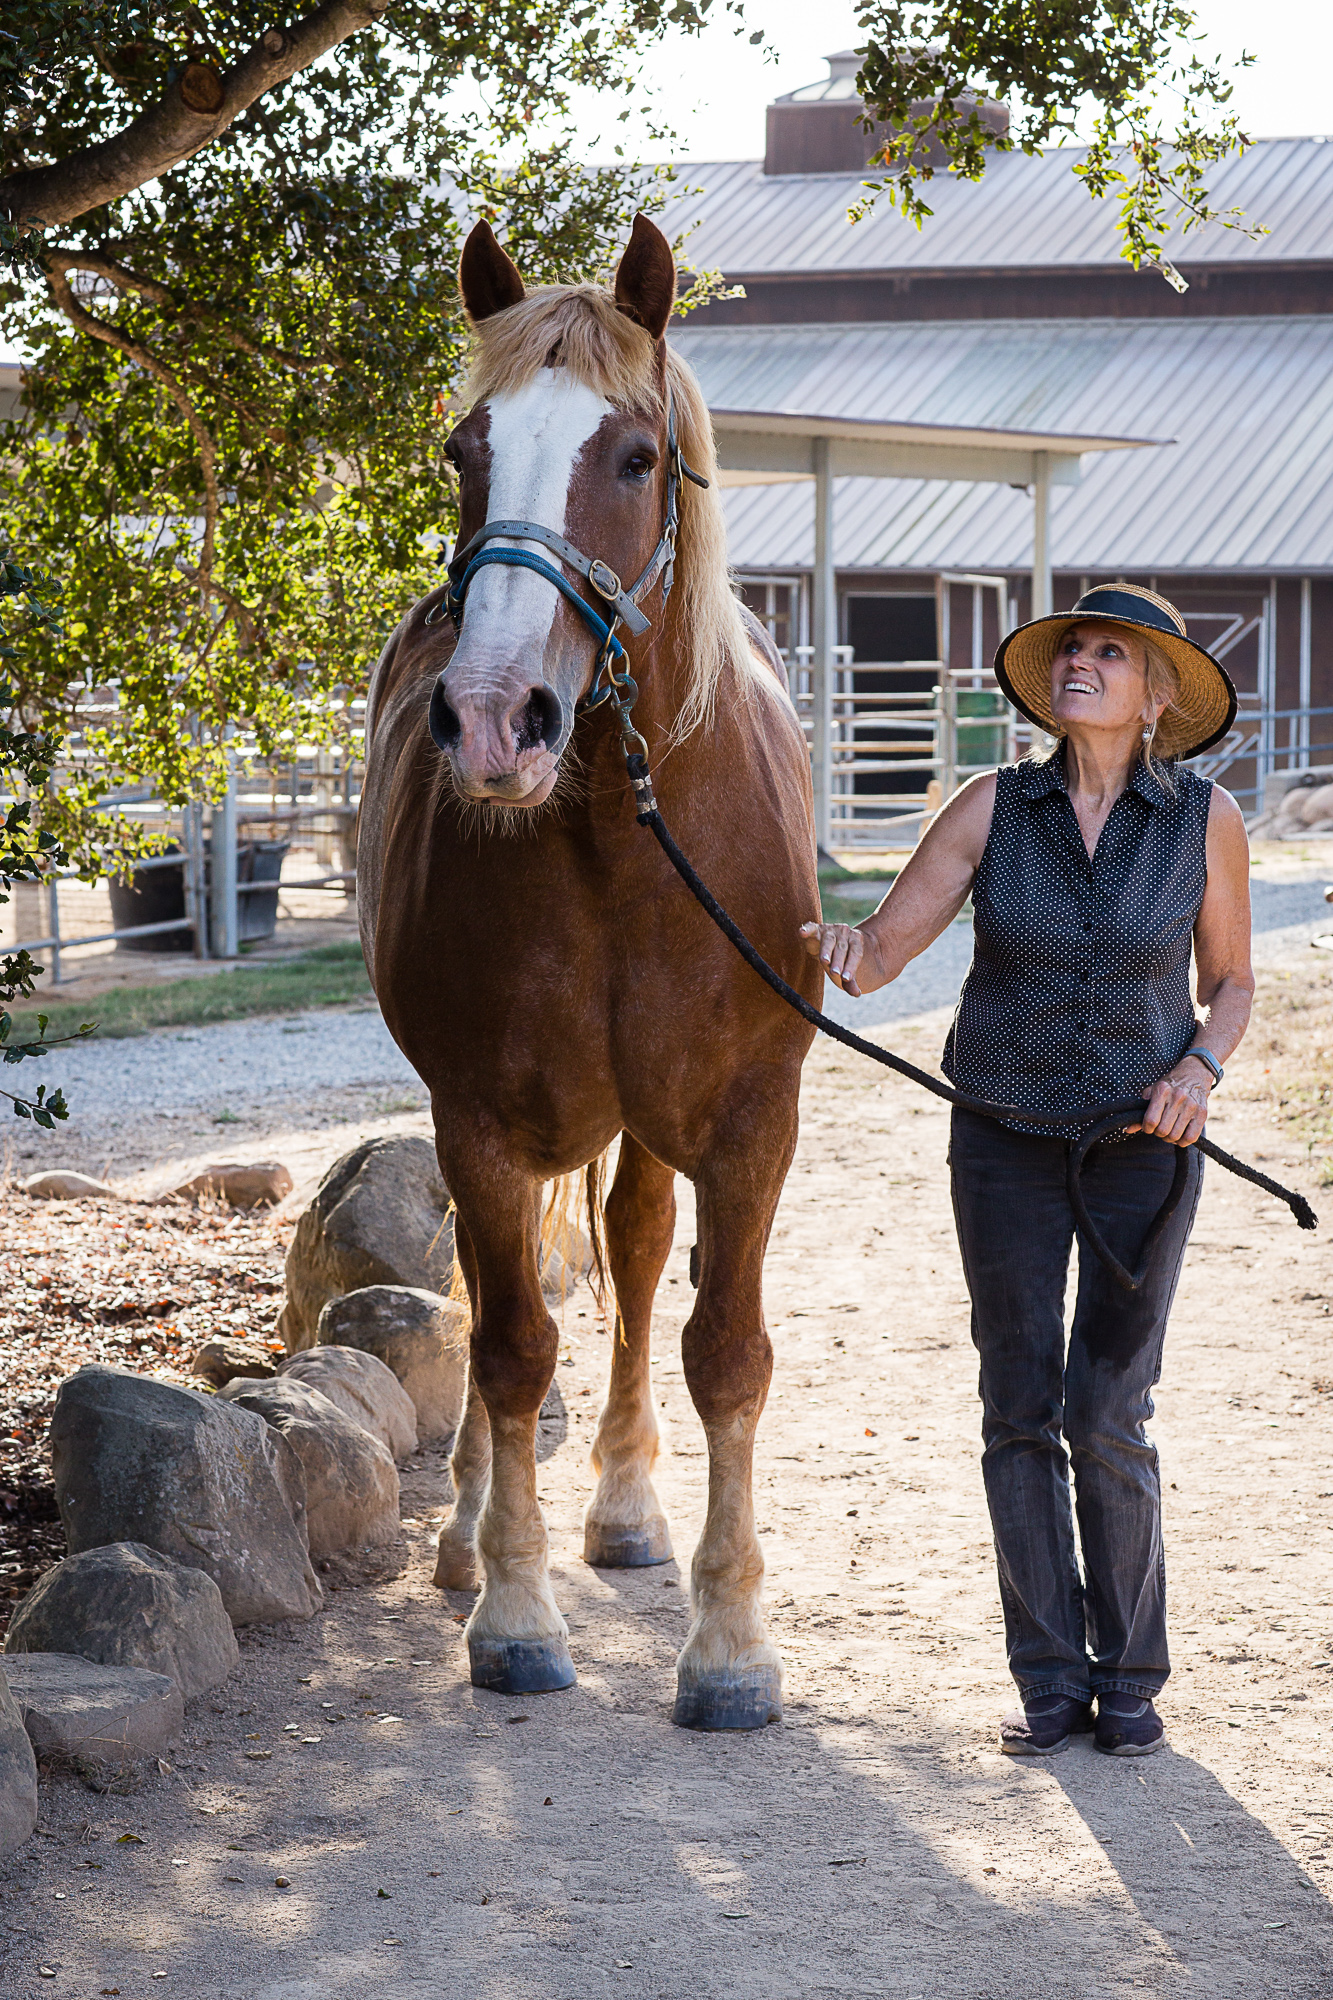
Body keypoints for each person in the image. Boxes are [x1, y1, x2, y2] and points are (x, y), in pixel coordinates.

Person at [800, 584, 1253, 1758]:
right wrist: (842, 947)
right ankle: (1049, 1678)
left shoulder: (1203, 820)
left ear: (1154, 696)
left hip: (1141, 1150)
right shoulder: (990, 805)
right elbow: (881, 951)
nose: (1080, 666)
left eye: (1110, 654)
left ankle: (1132, 1677)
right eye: (1070, 651)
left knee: (1108, 1410)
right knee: (1019, 1404)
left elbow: (1233, 980)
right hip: (998, 1137)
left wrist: (1198, 1067)